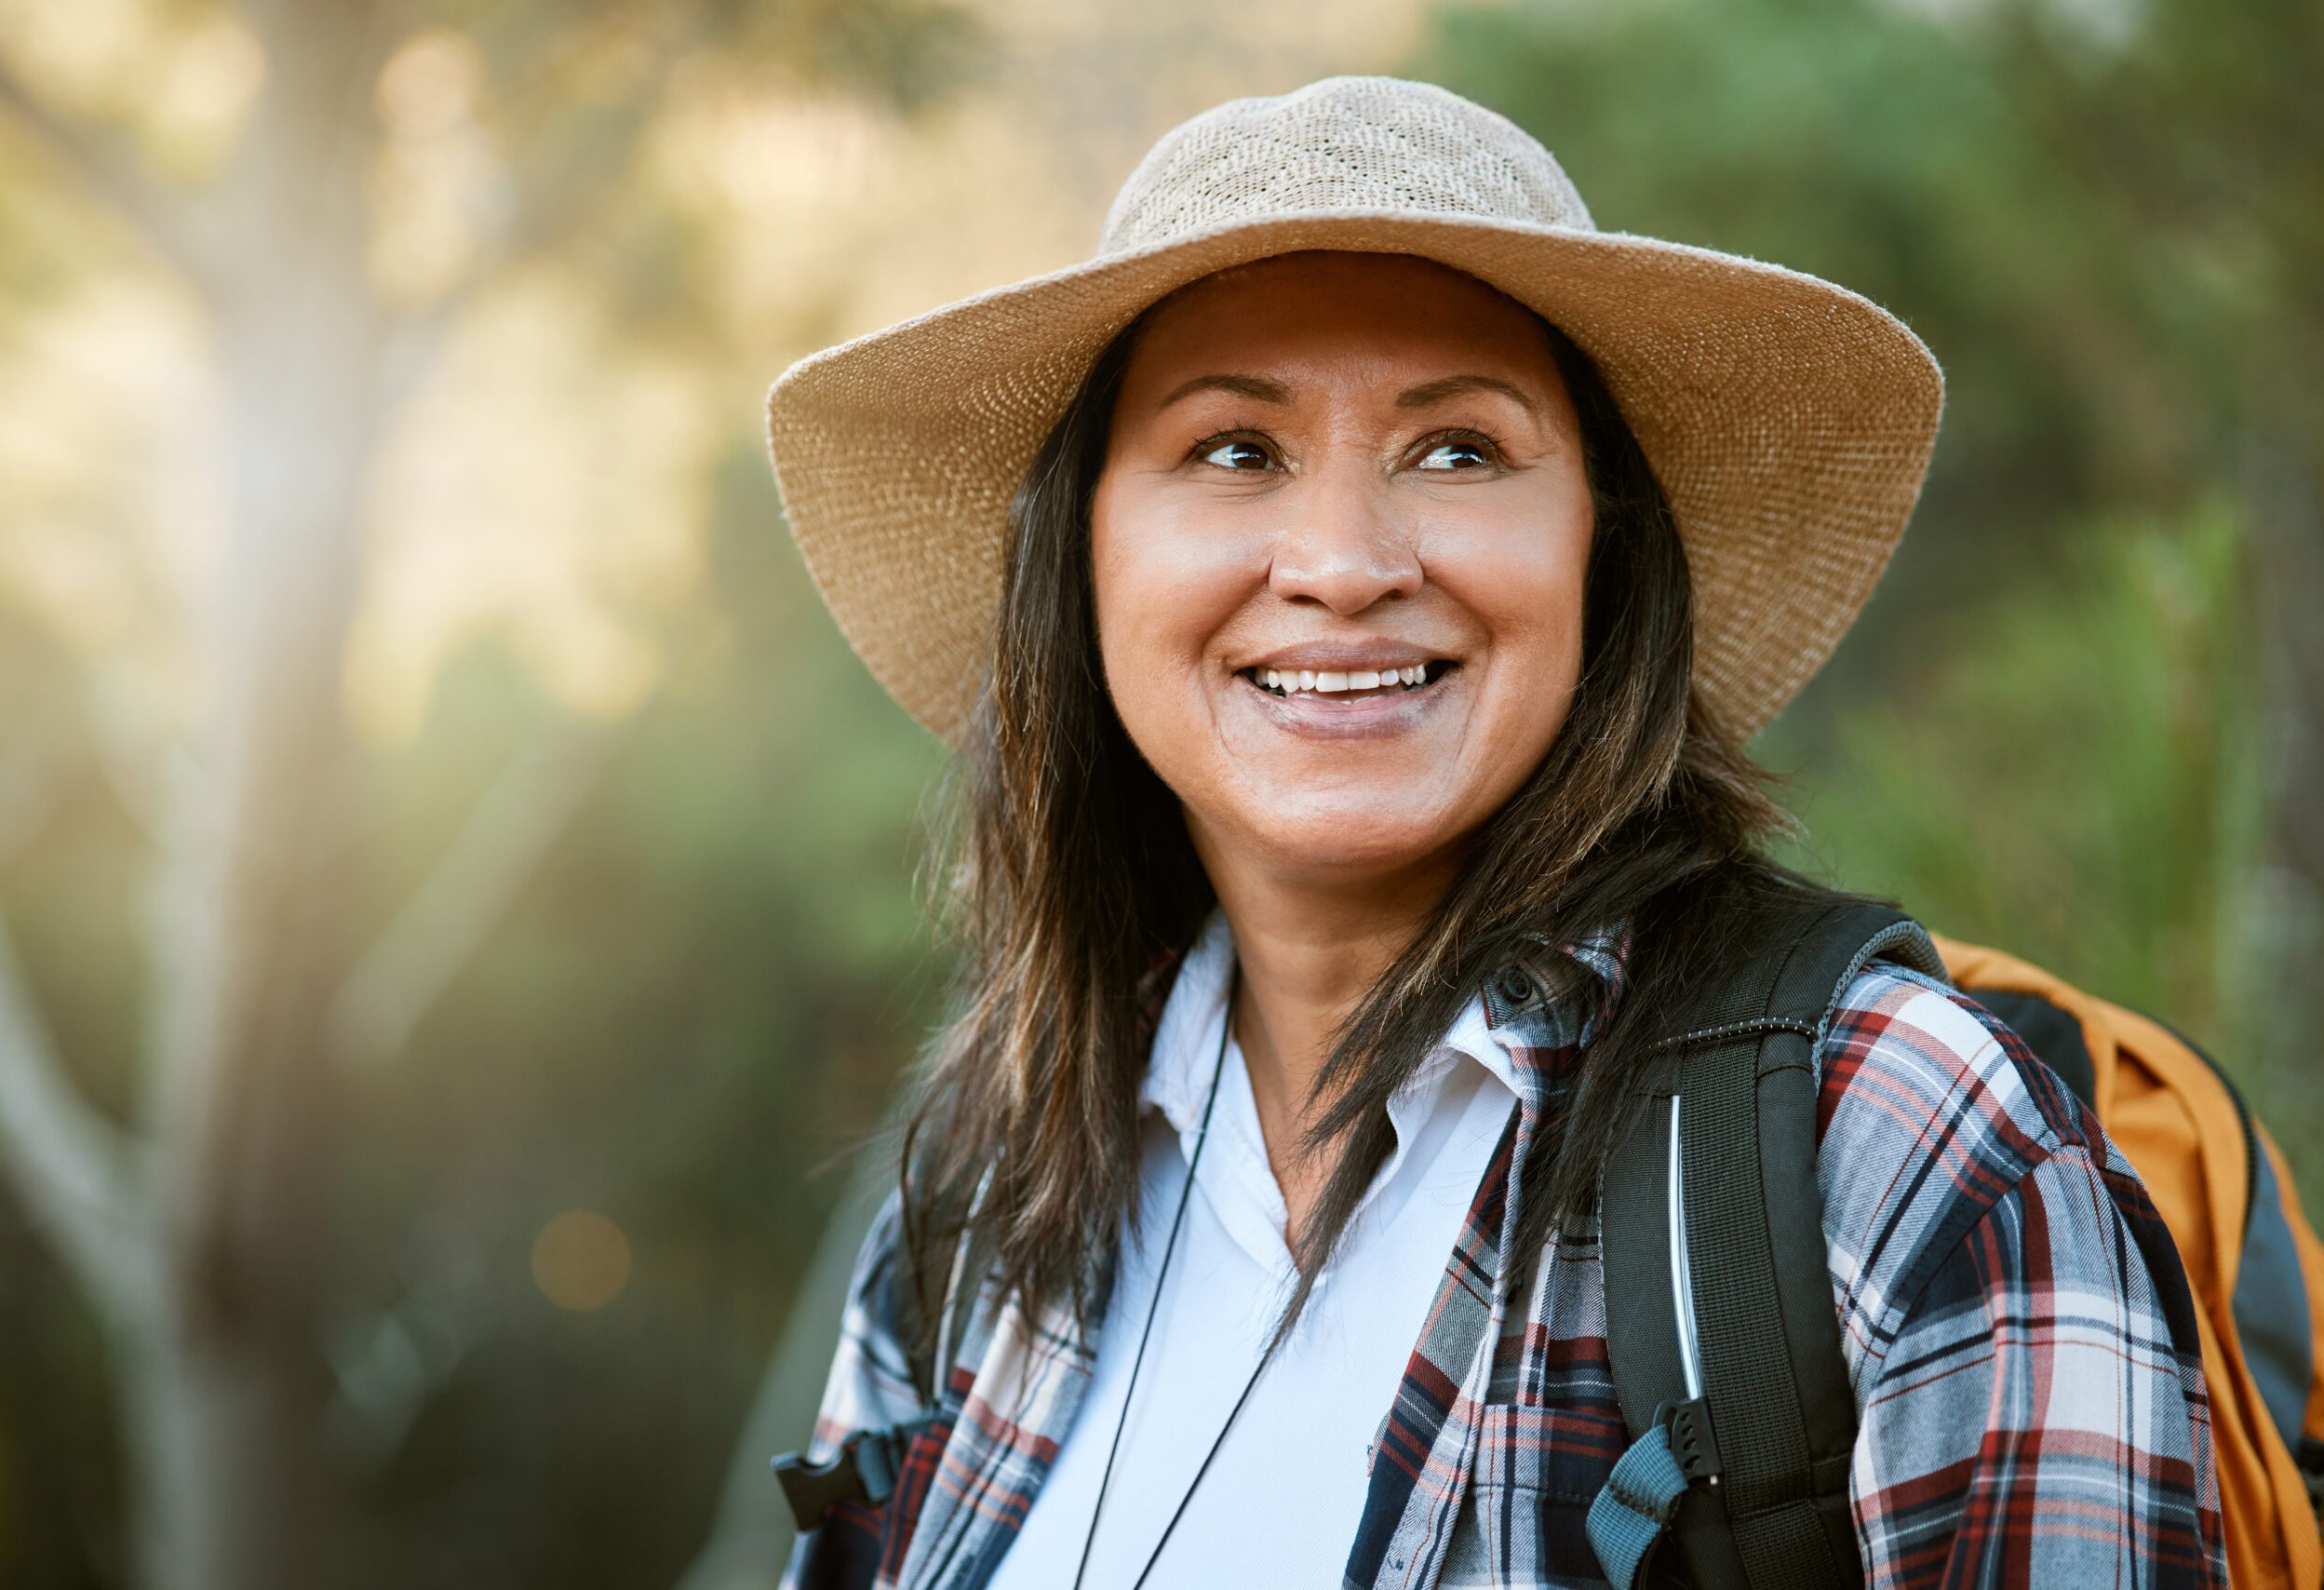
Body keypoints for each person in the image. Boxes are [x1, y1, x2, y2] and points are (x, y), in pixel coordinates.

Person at [762, 76, 2224, 1589]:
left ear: (1604, 546)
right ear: (1082, 556)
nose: (1340, 565)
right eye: (1232, 450)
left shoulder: (1894, 1146)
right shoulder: (986, 1196)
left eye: (1458, 449)